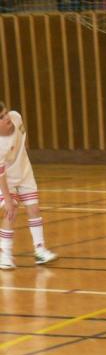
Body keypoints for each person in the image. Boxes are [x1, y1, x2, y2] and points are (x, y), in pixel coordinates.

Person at [0, 103, 59, 269]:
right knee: (10, 212)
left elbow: (22, 138)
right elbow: (1, 175)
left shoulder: (16, 117)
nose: (7, 118)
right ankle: (5, 255)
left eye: (5, 113)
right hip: (6, 180)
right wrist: (8, 199)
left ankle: (40, 250)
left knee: (34, 209)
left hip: (24, 173)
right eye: (1, 117)